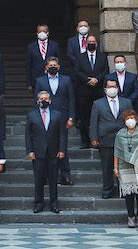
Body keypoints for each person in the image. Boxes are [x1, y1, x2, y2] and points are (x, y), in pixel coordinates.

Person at [33, 57, 75, 185]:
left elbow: (71, 99)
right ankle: (45, 175)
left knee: (63, 146)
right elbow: (37, 100)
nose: (52, 67)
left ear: (58, 67)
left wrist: (71, 117)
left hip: (62, 117)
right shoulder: (40, 81)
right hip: (45, 117)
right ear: (46, 67)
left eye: (54, 65)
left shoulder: (66, 80)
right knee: (45, 146)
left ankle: (65, 175)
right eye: (50, 65)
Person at [90, 79, 134, 199]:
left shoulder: (126, 102)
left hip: (123, 138)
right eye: (109, 87)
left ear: (118, 88)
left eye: (114, 86)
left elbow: (132, 119)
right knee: (107, 166)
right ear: (105, 90)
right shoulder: (97, 104)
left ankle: (124, 189)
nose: (112, 89)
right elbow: (94, 122)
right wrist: (93, 137)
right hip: (105, 138)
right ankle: (107, 189)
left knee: (124, 165)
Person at [25, 91, 67, 214]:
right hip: (38, 152)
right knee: (38, 179)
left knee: (53, 180)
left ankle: (54, 204)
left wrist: (62, 149)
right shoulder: (32, 115)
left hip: (53, 151)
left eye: (46, 98)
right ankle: (38, 204)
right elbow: (28, 135)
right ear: (37, 101)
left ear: (50, 101)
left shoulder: (57, 114)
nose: (43, 100)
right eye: (41, 98)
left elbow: (62, 134)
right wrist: (30, 151)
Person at [74, 35, 108, 149]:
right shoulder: (80, 57)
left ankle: (98, 140)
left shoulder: (103, 57)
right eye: (89, 42)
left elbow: (105, 70)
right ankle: (85, 141)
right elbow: (77, 71)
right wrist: (88, 80)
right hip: (84, 91)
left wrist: (96, 79)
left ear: (96, 44)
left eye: (93, 41)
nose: (91, 43)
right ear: (86, 44)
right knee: (84, 118)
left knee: (99, 117)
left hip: (98, 91)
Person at [26, 24, 60, 93]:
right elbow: (28, 66)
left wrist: (60, 79)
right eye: (40, 31)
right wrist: (29, 83)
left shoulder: (55, 45)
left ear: (48, 33)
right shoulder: (31, 47)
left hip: (52, 78)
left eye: (44, 31)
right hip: (36, 79)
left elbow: (59, 63)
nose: (42, 33)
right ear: (37, 33)